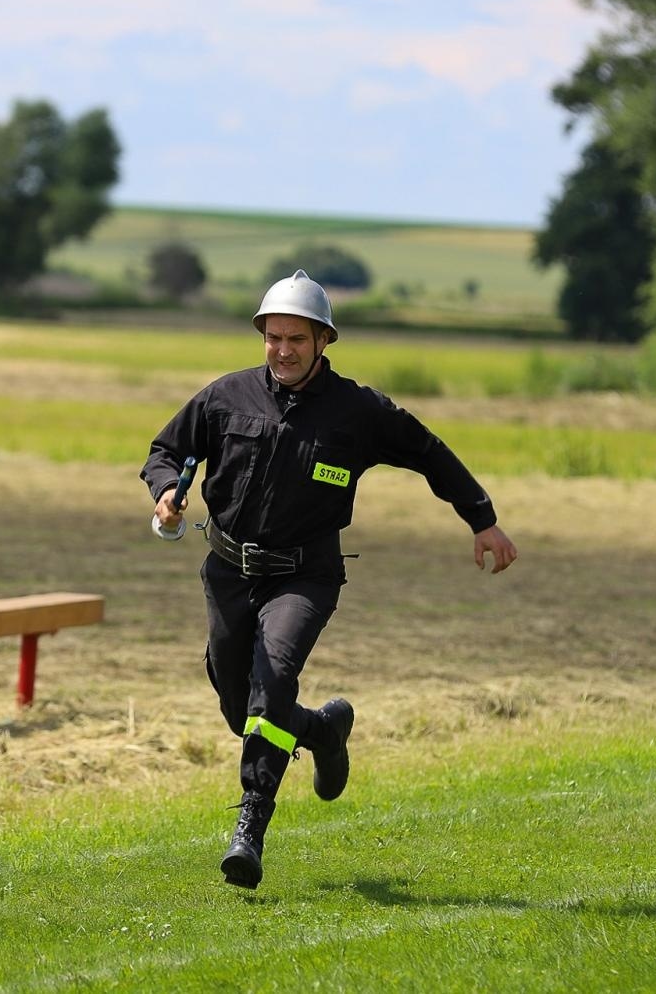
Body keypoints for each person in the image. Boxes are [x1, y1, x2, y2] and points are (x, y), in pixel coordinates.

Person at [141, 268, 517, 890]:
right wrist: (164, 495)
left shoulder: (359, 412)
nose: (282, 350)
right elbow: (164, 452)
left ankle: (249, 833)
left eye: (297, 339)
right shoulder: (224, 398)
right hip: (227, 572)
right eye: (273, 337)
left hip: (305, 577)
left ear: (323, 341)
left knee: (272, 683)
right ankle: (321, 730)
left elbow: (429, 452)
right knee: (243, 710)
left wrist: (482, 520)